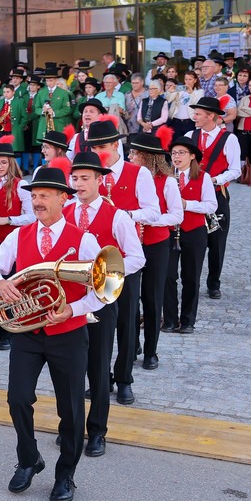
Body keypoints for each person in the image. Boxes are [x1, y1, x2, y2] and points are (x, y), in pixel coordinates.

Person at [0, 165, 104, 501]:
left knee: (71, 409)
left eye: (44, 196)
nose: (37, 202)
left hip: (68, 333)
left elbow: (104, 289)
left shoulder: (85, 240)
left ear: (63, 199)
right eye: (34, 196)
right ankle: (28, 459)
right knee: (18, 398)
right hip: (28, 334)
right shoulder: (19, 235)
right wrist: (1, 283)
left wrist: (73, 309)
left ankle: (66, 474)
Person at [62, 152, 145, 457]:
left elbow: (138, 257)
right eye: (75, 178)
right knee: (69, 369)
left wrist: (107, 274)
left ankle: (97, 430)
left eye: (86, 178)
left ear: (100, 180)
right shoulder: (65, 211)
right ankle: (69, 426)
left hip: (100, 301)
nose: (79, 184)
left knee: (98, 369)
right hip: (68, 303)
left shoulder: (117, 216)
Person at [85, 118, 158, 405]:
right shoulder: (88, 174)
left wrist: (123, 215)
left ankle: (125, 378)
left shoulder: (137, 173)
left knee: (127, 322)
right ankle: (101, 378)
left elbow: (152, 211)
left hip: (126, 259)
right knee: (97, 323)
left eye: (102, 146)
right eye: (94, 147)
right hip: (93, 262)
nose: (98, 151)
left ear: (116, 145)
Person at [126, 132, 183, 372]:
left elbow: (176, 215)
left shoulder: (166, 181)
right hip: (130, 244)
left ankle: (151, 350)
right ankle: (132, 346)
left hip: (156, 244)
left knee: (152, 298)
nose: (130, 156)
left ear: (147, 157)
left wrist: (148, 219)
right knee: (130, 300)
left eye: (135, 153)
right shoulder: (129, 177)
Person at [184, 96, 239, 299]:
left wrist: (215, 180)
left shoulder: (229, 139)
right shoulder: (190, 134)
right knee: (192, 240)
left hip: (217, 195)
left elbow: (235, 170)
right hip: (193, 195)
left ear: (211, 116)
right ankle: (191, 281)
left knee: (217, 242)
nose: (194, 116)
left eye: (198, 113)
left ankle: (214, 283)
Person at [0, 141, 33, 352]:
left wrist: (7, 220)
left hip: (11, 243)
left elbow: (30, 217)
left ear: (10, 163)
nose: (0, 166)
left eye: (4, 162)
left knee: (9, 288)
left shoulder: (20, 185)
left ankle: (9, 331)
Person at [163, 139, 216, 335]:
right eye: (174, 153)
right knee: (167, 276)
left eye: (181, 153)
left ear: (192, 156)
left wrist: (187, 204)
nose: (176, 157)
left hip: (194, 232)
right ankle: (169, 319)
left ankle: (188, 321)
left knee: (191, 277)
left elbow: (211, 206)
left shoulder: (203, 177)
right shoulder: (166, 177)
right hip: (169, 231)